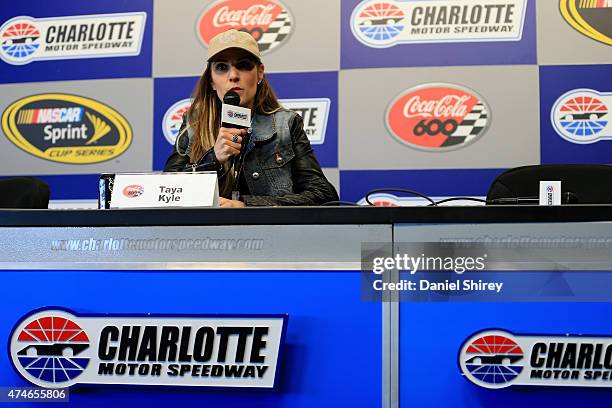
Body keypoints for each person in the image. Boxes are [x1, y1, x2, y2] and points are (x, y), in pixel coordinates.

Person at [164, 29, 338, 207]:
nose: (233, 76)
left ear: (260, 73)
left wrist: (246, 206)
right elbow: (167, 192)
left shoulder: (286, 124)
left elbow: (323, 194)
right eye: (222, 67)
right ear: (211, 80)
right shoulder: (194, 123)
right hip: (207, 234)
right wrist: (213, 159)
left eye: (244, 65)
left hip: (269, 234)